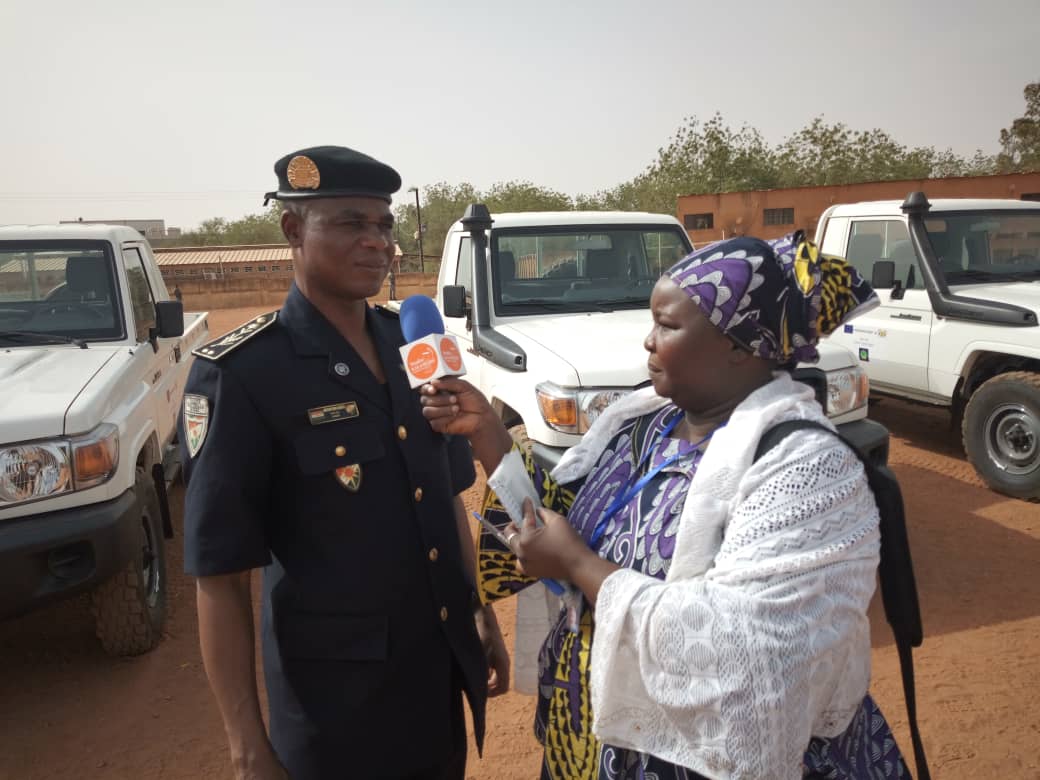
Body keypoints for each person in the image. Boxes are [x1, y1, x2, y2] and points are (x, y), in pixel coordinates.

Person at [421, 235, 912, 779]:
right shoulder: (645, 424)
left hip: (698, 757)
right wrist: (488, 434)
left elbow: (746, 650)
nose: (648, 342)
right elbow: (563, 517)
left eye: (668, 326)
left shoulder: (803, 469)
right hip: (589, 741)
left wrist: (578, 566)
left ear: (741, 344)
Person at [180, 145, 509, 780]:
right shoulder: (244, 375)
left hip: (435, 678)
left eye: (383, 226)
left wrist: (478, 612)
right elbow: (219, 576)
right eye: (351, 224)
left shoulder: (412, 345)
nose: (376, 243)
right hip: (335, 713)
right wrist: (248, 748)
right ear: (293, 230)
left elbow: (442, 499)